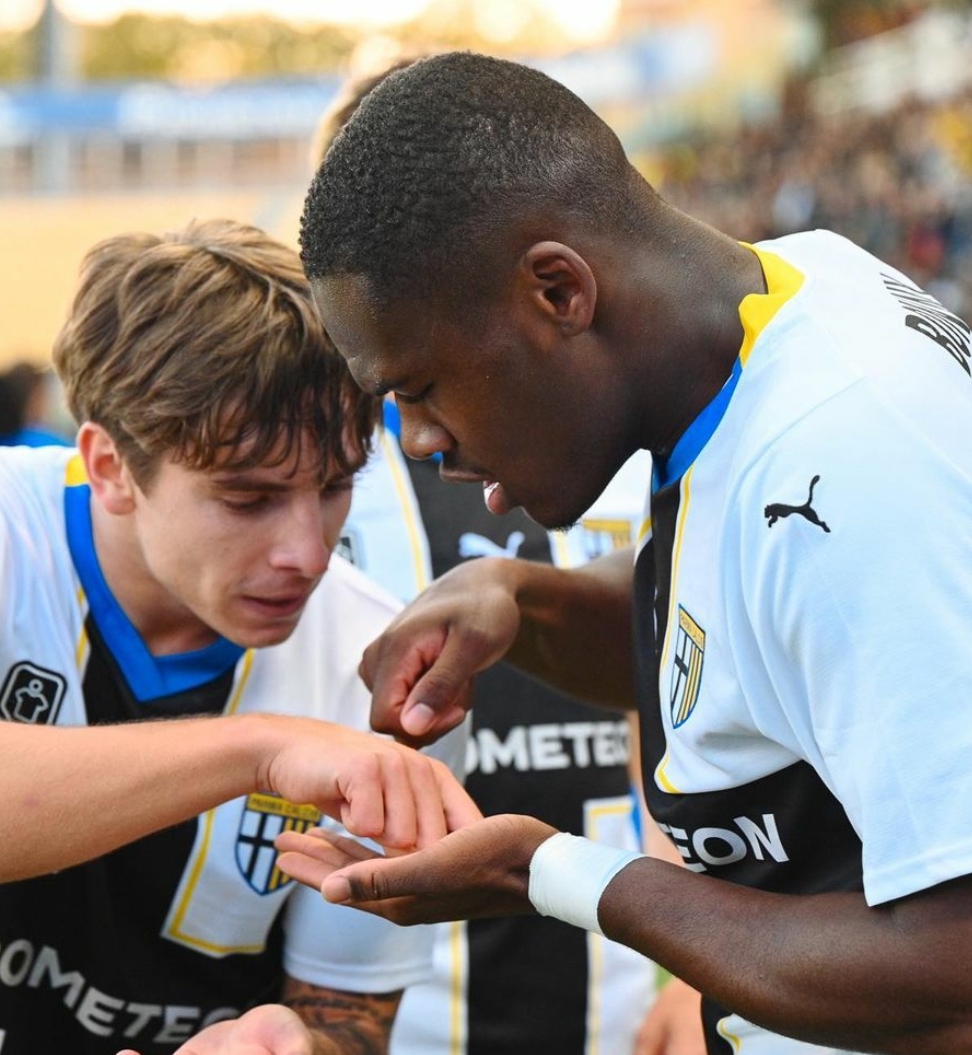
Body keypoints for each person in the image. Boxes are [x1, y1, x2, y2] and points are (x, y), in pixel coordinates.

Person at [277, 50, 972, 1055]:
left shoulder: (846, 463)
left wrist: (549, 873)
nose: (418, 440)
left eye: (420, 387)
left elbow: (954, 967)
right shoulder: (789, 299)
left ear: (558, 290)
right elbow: (764, 652)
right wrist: (525, 602)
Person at [0, 217, 476, 1055]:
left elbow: (348, 1014)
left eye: (335, 487)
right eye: (248, 499)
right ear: (109, 466)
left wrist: (297, 1043)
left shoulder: (380, 668)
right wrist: (264, 749)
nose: (308, 552)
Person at [319, 63, 704, 1055]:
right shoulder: (329, 488)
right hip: (420, 1011)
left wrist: (693, 973)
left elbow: (675, 702)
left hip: (627, 991)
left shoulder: (617, 443)